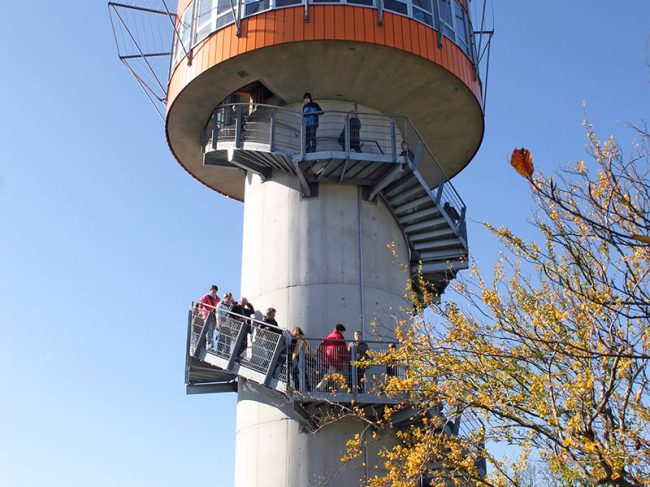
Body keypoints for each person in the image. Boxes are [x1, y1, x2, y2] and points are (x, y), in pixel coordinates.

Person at [316, 323, 350, 391]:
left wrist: (320, 353)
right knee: (331, 372)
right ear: (340, 330)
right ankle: (320, 386)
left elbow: (322, 344)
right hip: (336, 357)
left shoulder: (329, 335)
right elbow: (343, 349)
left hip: (329, 356)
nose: (342, 333)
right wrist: (346, 359)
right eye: (342, 331)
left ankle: (342, 390)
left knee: (338, 374)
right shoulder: (340, 336)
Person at [197, 285, 220, 351]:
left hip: (213, 317)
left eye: (215, 291)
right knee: (209, 329)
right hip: (206, 315)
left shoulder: (218, 299)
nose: (213, 292)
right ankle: (209, 344)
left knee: (212, 331)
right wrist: (200, 311)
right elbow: (201, 303)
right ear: (210, 290)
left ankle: (211, 344)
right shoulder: (206, 297)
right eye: (212, 290)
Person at [290, 327, 312, 392]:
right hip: (305, 356)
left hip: (296, 356)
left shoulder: (295, 337)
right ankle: (308, 388)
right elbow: (309, 347)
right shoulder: (305, 338)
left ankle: (297, 387)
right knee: (304, 373)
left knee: (294, 372)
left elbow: (291, 346)